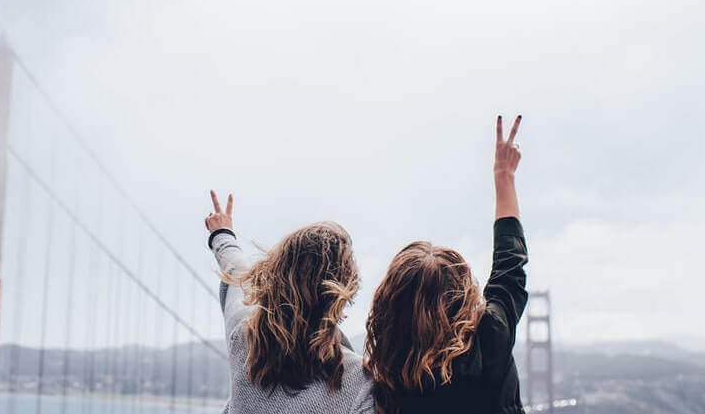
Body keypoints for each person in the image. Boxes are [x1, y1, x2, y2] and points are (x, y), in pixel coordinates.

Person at [364, 114, 529, 414]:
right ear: (463, 295)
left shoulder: (387, 372)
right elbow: (510, 269)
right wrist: (504, 176)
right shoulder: (491, 337)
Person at [203, 190, 374, 414]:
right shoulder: (362, 383)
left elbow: (237, 270)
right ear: (345, 290)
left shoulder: (242, 336)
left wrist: (222, 234)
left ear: (275, 274)